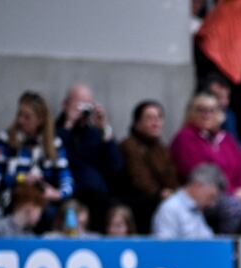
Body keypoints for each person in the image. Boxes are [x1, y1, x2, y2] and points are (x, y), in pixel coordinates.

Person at [170, 92, 241, 233]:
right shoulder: (185, 138)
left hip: (238, 193)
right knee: (233, 206)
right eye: (201, 110)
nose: (206, 114)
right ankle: (229, 251)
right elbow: (198, 174)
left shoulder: (226, 138)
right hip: (207, 196)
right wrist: (234, 192)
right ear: (192, 112)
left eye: (212, 110)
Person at [0, 91, 73, 214]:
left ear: (40, 120)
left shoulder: (53, 144)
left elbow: (66, 178)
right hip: (11, 198)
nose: (21, 120)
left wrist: (57, 194)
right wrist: (20, 179)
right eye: (19, 114)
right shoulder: (6, 139)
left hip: (41, 202)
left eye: (27, 117)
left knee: (58, 212)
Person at [56, 83, 123, 226]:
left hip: (98, 195)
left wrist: (105, 129)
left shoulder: (95, 133)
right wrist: (68, 125)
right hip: (69, 191)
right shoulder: (55, 130)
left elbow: (116, 166)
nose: (83, 110)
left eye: (88, 105)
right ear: (65, 104)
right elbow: (54, 157)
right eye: (79, 104)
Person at [120, 100, 179, 233]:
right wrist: (160, 193)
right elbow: (139, 179)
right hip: (139, 201)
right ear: (137, 123)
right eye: (149, 118)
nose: (155, 122)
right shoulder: (129, 145)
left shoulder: (162, 149)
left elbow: (172, 177)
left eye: (159, 117)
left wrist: (172, 192)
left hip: (163, 197)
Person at [152, 163, 223, 239]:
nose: (212, 204)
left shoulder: (195, 208)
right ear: (197, 185)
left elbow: (208, 240)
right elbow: (164, 247)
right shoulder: (170, 208)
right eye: (211, 197)